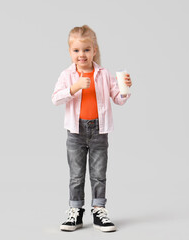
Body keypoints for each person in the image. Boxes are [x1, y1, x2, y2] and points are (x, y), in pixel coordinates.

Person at [51, 25, 132, 232]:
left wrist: (124, 90)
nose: (81, 55)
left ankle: (99, 210)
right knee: (76, 175)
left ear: (94, 50)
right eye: (76, 50)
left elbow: (118, 99)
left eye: (86, 50)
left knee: (98, 174)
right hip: (76, 131)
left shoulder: (103, 74)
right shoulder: (68, 75)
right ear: (70, 52)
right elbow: (56, 99)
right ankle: (75, 212)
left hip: (99, 131)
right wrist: (75, 87)